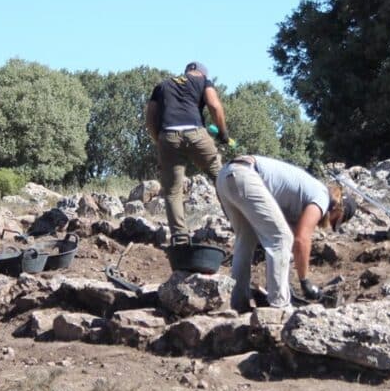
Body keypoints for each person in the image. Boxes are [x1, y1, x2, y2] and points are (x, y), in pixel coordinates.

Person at [216, 155, 356, 312]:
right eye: (336, 221)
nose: (330, 224)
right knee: (282, 238)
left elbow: (289, 241)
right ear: (338, 208)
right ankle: (279, 307)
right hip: (246, 175)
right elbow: (301, 240)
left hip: (226, 176)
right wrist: (304, 281)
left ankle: (239, 304)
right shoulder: (322, 197)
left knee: (246, 241)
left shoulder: (301, 199)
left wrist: (285, 282)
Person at [146, 62, 230, 244]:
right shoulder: (203, 81)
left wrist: (159, 140)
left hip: (168, 135)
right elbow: (215, 107)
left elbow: (150, 116)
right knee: (221, 177)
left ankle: (180, 238)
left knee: (172, 190)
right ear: (201, 73)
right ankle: (237, 225)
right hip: (196, 133)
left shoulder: (163, 85)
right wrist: (223, 134)